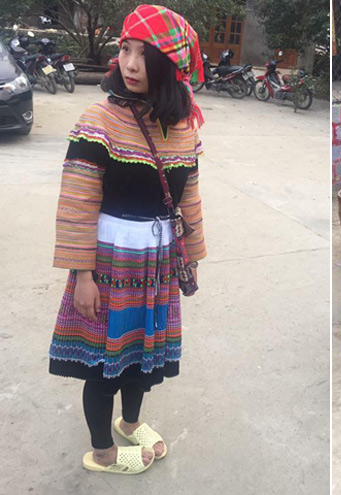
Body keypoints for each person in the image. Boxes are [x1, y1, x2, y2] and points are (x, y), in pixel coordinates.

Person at [49, 4, 207, 474]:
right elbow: (77, 203)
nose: (131, 64)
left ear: (170, 65)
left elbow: (190, 197)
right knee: (104, 362)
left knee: (142, 355)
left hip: (157, 260)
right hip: (110, 262)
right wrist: (82, 275)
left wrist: (192, 256)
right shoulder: (99, 120)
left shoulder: (183, 128)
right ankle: (102, 451)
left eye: (144, 54)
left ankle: (130, 422)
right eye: (126, 50)